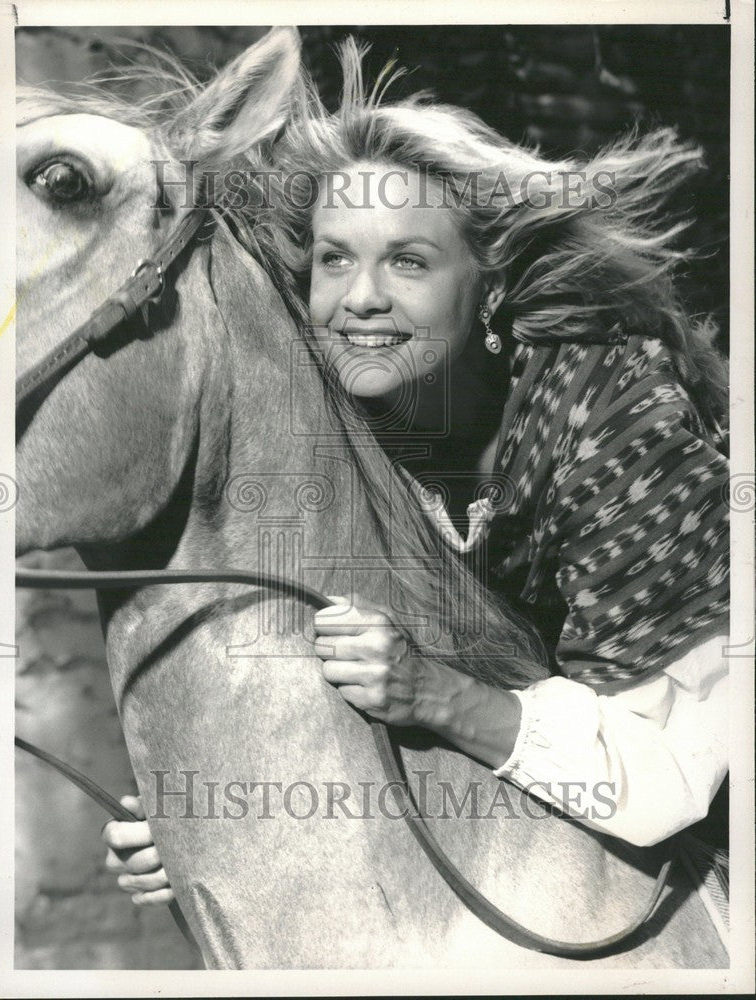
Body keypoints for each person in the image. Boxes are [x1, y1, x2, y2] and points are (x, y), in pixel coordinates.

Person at [103, 40, 729, 907]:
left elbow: (667, 782)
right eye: (333, 259)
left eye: (408, 260)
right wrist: (210, 828)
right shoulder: (342, 422)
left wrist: (439, 694)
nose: (359, 297)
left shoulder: (618, 424)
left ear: (493, 290)